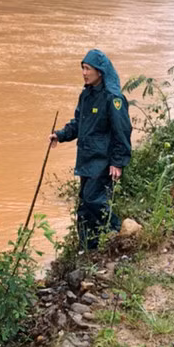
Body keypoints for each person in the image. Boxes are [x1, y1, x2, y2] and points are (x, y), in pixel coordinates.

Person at [50, 49, 132, 248]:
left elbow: (122, 131)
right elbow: (78, 123)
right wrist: (60, 135)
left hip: (102, 161)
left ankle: (121, 233)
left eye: (88, 69)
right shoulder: (86, 95)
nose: (84, 73)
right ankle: (88, 248)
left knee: (94, 200)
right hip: (86, 159)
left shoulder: (113, 99)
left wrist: (118, 162)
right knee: (84, 206)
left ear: (100, 72)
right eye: (83, 68)